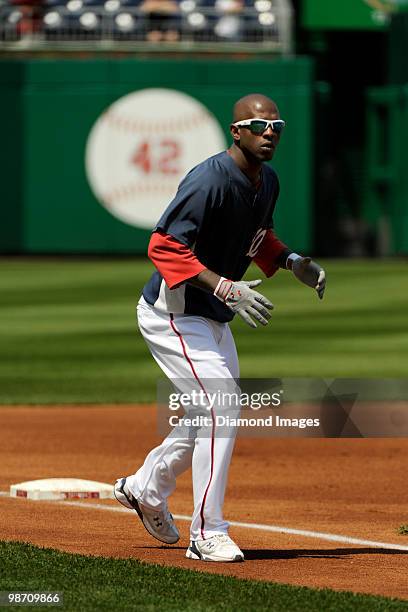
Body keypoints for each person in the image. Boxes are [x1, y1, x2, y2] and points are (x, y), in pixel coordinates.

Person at [114, 93, 326, 563]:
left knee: (209, 413)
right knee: (222, 405)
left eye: (276, 125)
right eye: (257, 124)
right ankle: (206, 531)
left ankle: (145, 489)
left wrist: (291, 261)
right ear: (236, 131)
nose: (269, 132)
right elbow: (164, 246)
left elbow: (258, 238)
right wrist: (226, 287)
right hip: (174, 316)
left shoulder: (266, 180)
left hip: (211, 317)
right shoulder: (208, 179)